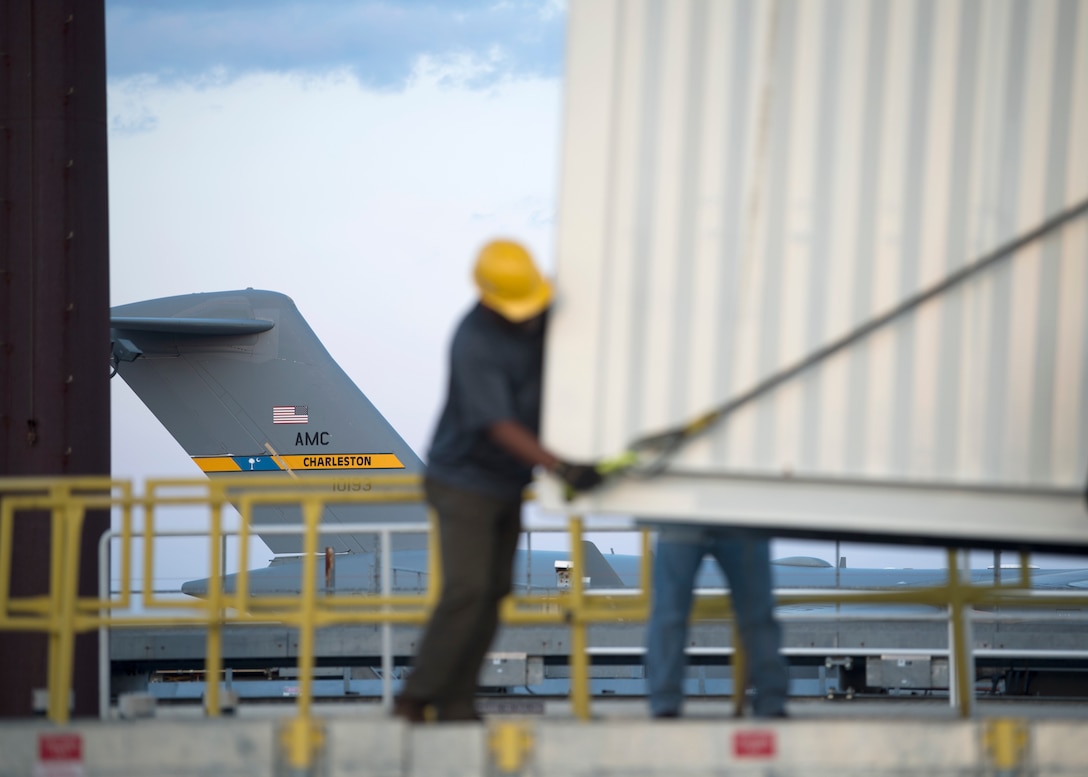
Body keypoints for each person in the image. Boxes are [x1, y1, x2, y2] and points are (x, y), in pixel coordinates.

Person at [394, 238, 603, 723]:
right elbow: (498, 424)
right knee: (466, 589)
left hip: (507, 482)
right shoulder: (474, 341)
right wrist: (563, 466)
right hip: (464, 481)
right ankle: (415, 696)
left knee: (494, 592)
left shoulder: (544, 311)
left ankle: (456, 701)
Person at [646, 525, 789, 719]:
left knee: (670, 613)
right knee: (757, 615)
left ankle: (664, 703)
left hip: (684, 514)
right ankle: (770, 701)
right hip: (736, 515)